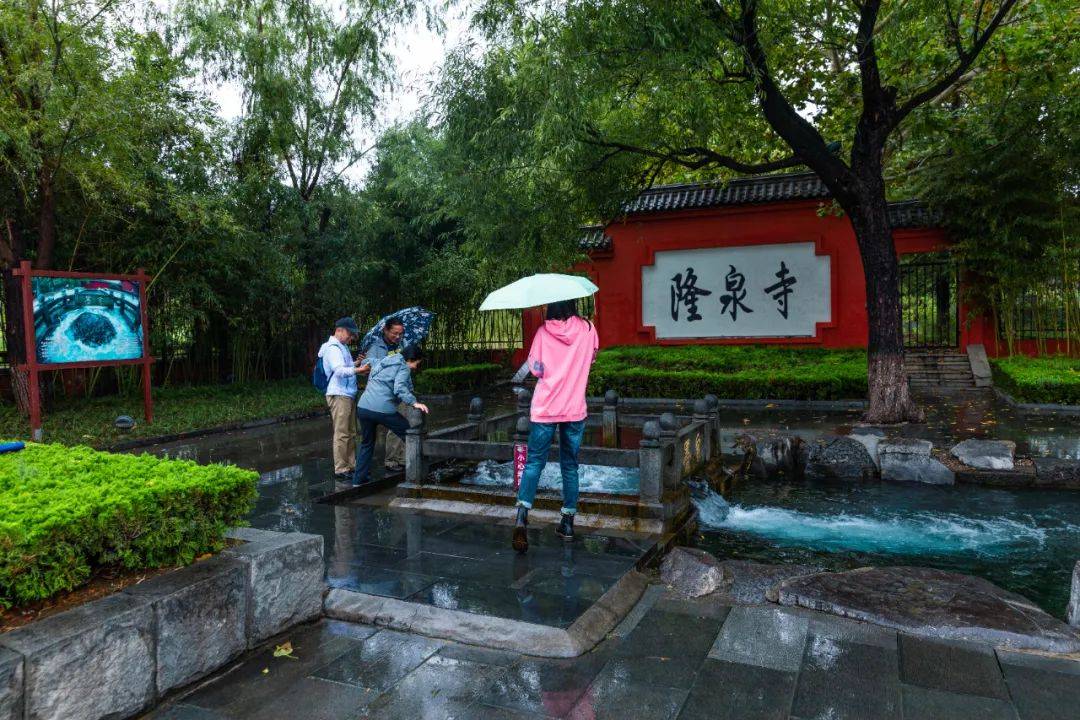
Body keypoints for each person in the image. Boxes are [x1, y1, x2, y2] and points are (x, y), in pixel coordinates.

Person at [513, 299, 599, 553]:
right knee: (570, 465)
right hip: (574, 408)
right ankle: (568, 522)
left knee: (534, 463)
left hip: (545, 407)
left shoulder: (542, 331)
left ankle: (521, 516)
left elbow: (537, 370)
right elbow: (591, 359)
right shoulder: (588, 329)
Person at [353, 343, 429, 486]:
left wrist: (361, 363)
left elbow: (368, 361)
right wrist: (414, 403)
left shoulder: (384, 360)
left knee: (367, 443)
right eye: (417, 364)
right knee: (410, 434)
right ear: (411, 359)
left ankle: (358, 480)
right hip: (382, 410)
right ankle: (421, 470)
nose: (415, 367)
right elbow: (399, 388)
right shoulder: (403, 367)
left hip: (363, 407)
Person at [317, 317, 369, 479]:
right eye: (350, 334)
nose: (351, 338)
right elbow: (339, 371)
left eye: (353, 335)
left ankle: (351, 465)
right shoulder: (333, 348)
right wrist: (360, 370)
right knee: (342, 433)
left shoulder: (342, 346)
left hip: (347, 394)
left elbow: (345, 367)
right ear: (339, 329)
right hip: (339, 394)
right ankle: (341, 469)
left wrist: (356, 363)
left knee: (351, 432)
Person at [362, 317, 407, 472]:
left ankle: (402, 457)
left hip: (400, 390)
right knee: (394, 426)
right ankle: (391, 460)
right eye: (395, 333)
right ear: (386, 330)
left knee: (404, 424)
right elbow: (365, 365)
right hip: (383, 392)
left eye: (400, 334)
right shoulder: (376, 346)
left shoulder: (402, 345)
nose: (397, 336)